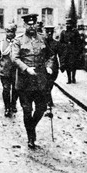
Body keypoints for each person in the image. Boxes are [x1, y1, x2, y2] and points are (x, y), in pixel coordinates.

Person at [12, 14, 55, 149]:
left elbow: (51, 55)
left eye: (33, 24)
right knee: (27, 110)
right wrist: (26, 69)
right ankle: (31, 136)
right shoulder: (18, 40)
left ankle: (32, 126)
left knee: (41, 108)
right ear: (24, 25)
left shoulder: (43, 39)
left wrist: (49, 66)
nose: (31, 26)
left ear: (36, 24)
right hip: (25, 82)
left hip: (40, 80)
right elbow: (15, 58)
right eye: (28, 24)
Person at [0, 24, 18, 117]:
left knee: (16, 89)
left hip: (16, 71)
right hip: (4, 71)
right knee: (6, 89)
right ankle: (7, 107)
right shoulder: (2, 43)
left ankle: (13, 104)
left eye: (11, 31)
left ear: (15, 32)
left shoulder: (18, 43)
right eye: (8, 31)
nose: (9, 33)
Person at [60, 18, 83, 84]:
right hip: (66, 51)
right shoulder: (63, 32)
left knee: (73, 65)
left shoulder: (75, 32)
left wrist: (78, 51)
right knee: (67, 66)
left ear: (72, 24)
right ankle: (69, 79)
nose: (68, 25)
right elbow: (61, 42)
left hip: (73, 51)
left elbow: (78, 41)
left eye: (69, 24)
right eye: (67, 24)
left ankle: (73, 78)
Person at [44, 25, 60, 107]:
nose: (49, 34)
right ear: (45, 32)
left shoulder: (56, 43)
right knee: (46, 84)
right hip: (43, 67)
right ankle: (48, 100)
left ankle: (48, 99)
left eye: (51, 32)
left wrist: (62, 65)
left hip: (54, 67)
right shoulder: (42, 43)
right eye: (47, 32)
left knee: (50, 83)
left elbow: (60, 55)